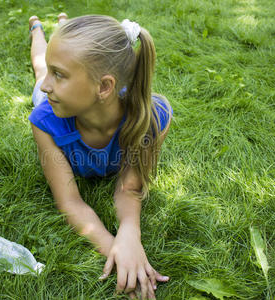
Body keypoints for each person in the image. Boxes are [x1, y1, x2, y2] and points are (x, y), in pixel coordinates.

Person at [28, 13, 172, 299]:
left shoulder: (151, 119)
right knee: (37, 66)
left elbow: (130, 186)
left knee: (51, 62)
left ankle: (62, 32)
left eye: (59, 74)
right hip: (57, 106)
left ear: (105, 87)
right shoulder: (45, 118)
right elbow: (69, 201)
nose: (48, 84)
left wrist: (131, 232)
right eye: (52, 72)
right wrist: (118, 253)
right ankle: (36, 31)